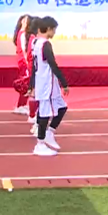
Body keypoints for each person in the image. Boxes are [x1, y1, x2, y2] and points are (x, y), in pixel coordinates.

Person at [29, 16, 69, 157]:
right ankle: (40, 144)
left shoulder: (35, 43)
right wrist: (64, 83)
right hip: (47, 84)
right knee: (45, 113)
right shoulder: (44, 44)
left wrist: (31, 85)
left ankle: (49, 133)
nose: (54, 33)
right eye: (54, 30)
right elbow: (53, 64)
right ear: (48, 29)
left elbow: (34, 66)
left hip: (46, 82)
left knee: (62, 107)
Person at [12, 15, 31, 115]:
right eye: (25, 21)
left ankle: (23, 104)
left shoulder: (22, 34)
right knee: (25, 83)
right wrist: (27, 61)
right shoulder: (23, 34)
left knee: (26, 82)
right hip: (23, 62)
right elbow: (24, 49)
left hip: (23, 61)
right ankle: (20, 105)